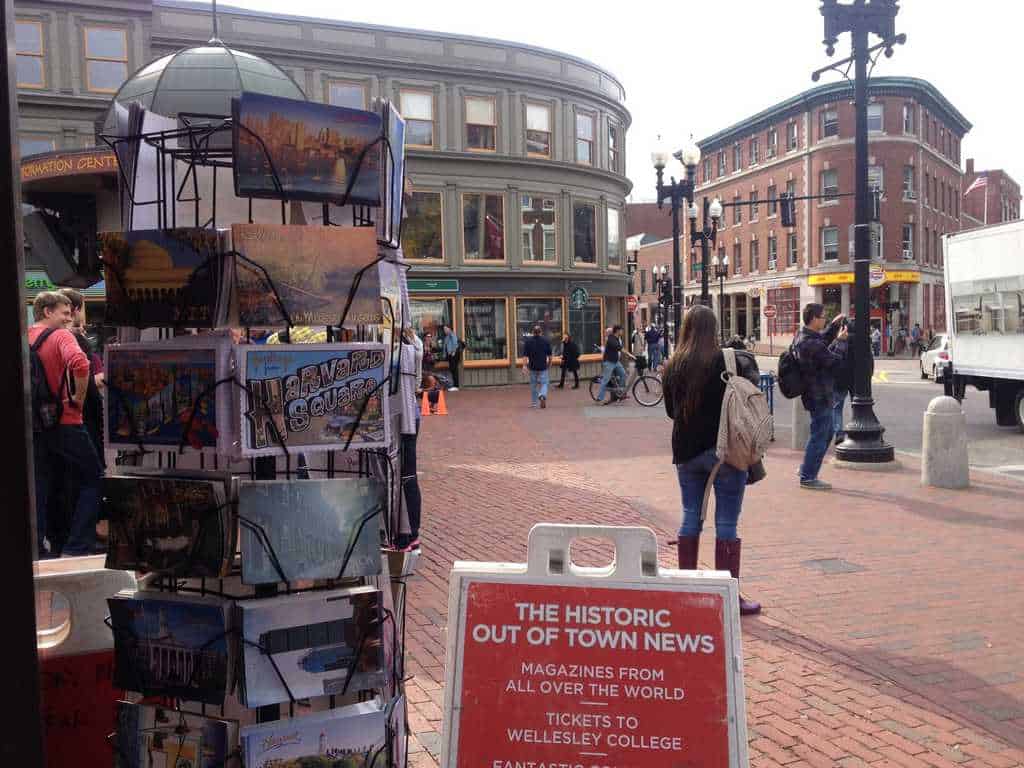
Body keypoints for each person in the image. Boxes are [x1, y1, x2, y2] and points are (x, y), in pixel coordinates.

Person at [663, 304, 762, 615]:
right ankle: (729, 596)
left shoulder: (673, 364)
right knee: (726, 523)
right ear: (714, 328)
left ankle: (687, 590)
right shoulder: (726, 361)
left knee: (690, 515)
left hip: (687, 453)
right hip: (725, 452)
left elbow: (670, 412)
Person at [28, 291, 103, 557]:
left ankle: (39, 546)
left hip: (37, 423)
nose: (68, 319)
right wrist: (78, 399)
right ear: (47, 312)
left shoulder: (26, 336)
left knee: (41, 482)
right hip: (65, 419)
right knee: (95, 478)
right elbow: (80, 363)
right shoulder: (61, 336)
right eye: (65, 313)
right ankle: (77, 545)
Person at [794, 303, 849, 491]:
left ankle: (806, 469)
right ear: (815, 318)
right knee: (820, 434)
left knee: (824, 433)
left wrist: (834, 327)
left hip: (816, 394)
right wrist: (841, 342)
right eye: (824, 316)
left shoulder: (804, 337)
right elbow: (834, 363)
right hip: (819, 395)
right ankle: (808, 476)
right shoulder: (809, 344)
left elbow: (822, 341)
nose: (825, 319)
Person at [397, 327, 424, 551]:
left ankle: (409, 533)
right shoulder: (415, 343)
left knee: (405, 474)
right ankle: (410, 531)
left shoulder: (407, 346)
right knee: (408, 474)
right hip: (410, 413)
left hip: (404, 415)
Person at [597, 325, 631, 404]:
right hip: (609, 362)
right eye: (621, 330)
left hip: (616, 362)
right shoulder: (611, 338)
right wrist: (629, 354)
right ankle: (599, 398)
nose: (622, 332)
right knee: (606, 380)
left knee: (623, 374)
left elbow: (620, 347)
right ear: (617, 331)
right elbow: (618, 347)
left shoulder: (617, 338)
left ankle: (620, 392)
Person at [521, 325, 553, 408]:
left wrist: (524, 366)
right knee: (544, 383)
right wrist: (549, 364)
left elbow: (525, 356)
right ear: (541, 332)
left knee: (533, 385)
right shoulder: (546, 341)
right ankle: (542, 395)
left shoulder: (528, 342)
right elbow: (550, 355)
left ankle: (534, 403)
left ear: (533, 332)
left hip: (532, 367)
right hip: (543, 366)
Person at [441, 324, 462, 390]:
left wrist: (453, 352)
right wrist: (444, 355)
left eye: (446, 329)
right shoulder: (446, 337)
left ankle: (456, 386)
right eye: (444, 329)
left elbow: (455, 344)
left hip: (453, 356)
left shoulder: (452, 335)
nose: (445, 330)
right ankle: (454, 385)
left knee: (454, 369)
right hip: (450, 356)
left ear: (449, 329)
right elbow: (445, 347)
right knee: (452, 370)